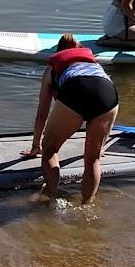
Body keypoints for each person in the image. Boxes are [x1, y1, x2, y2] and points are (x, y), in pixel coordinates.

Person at [22, 34, 119, 205]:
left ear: (59, 52)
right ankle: (86, 206)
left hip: (77, 89)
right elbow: (98, 94)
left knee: (50, 150)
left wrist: (36, 146)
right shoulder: (94, 65)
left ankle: (49, 199)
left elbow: (42, 113)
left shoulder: (52, 70)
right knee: (92, 159)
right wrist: (99, 146)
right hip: (108, 92)